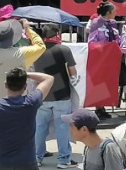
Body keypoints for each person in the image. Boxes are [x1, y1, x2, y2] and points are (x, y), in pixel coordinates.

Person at [0, 19, 46, 169]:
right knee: (22, 146)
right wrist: (28, 29)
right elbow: (41, 46)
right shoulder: (21, 54)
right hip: (18, 108)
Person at [0, 68, 55, 170]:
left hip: (4, 163)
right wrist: (25, 74)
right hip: (28, 162)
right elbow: (49, 78)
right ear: (25, 87)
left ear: (6, 85)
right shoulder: (31, 102)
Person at [32, 24, 79, 168]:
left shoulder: (37, 50)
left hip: (42, 92)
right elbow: (73, 72)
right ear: (57, 34)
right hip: (62, 93)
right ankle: (63, 160)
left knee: (39, 128)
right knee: (62, 127)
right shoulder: (64, 49)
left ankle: (36, 158)